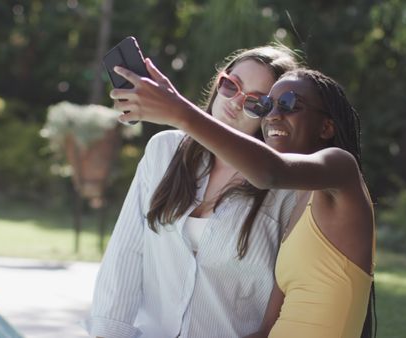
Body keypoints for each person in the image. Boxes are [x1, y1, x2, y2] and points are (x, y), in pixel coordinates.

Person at [111, 64, 376, 338]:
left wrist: (180, 113)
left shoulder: (342, 170)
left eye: (288, 104)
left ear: (326, 126)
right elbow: (265, 332)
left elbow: (271, 172)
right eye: (267, 106)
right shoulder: (297, 207)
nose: (273, 115)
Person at [86, 45, 301, 338]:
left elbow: (288, 299)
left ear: (270, 115)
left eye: (255, 102)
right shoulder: (164, 150)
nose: (236, 102)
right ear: (218, 82)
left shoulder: (285, 188)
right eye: (231, 85)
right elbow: (126, 253)